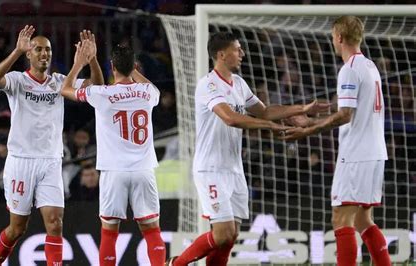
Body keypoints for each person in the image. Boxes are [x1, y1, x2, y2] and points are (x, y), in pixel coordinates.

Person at [166, 32, 328, 266]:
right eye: (237, 49)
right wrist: (269, 126)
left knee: (230, 236)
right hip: (210, 169)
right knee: (222, 233)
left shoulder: (239, 84)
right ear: (222, 54)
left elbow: (265, 111)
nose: (242, 53)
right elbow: (231, 118)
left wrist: (302, 108)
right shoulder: (208, 84)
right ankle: (175, 264)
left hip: (234, 169)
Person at [0, 25, 103, 266]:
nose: (44, 53)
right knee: (17, 228)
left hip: (50, 161)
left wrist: (92, 60)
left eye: (48, 50)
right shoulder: (18, 81)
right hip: (21, 162)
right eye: (38, 49)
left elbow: (98, 87)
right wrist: (16, 51)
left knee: (55, 223)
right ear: (29, 54)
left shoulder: (60, 82)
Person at [282, 16, 391, 266]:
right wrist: (315, 116)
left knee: (341, 220)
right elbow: (354, 108)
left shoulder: (349, 69)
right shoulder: (370, 66)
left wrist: (308, 130)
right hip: (374, 153)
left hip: (355, 154)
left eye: (333, 37)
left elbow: (345, 115)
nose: (333, 41)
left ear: (339, 38)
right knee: (364, 220)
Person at [61, 42, 166, 266]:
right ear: (135, 66)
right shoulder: (148, 92)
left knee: (110, 231)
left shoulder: (102, 93)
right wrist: (133, 70)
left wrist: (80, 63)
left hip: (113, 171)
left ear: (111, 67)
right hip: (143, 169)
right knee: (151, 229)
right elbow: (151, 87)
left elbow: (65, 89)